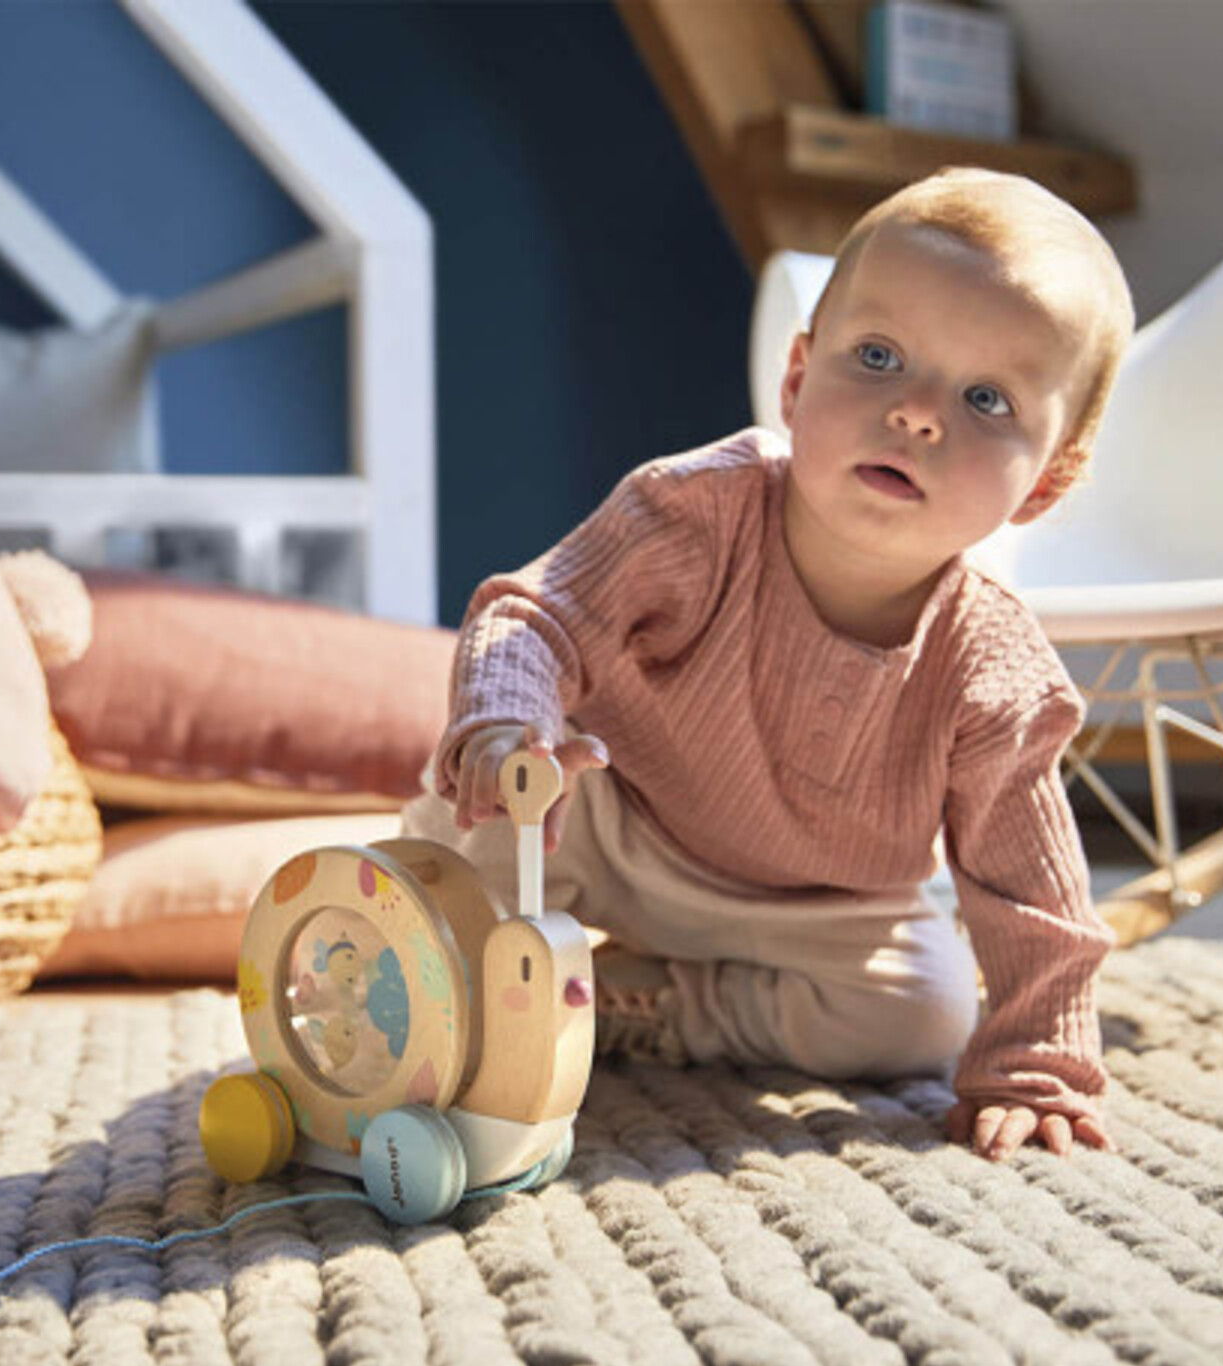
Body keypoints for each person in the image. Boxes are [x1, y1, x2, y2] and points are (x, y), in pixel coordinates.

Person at [402, 167, 1135, 1165]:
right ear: (798, 380)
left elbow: (1031, 891)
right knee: (483, 823)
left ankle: (654, 1006)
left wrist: (1039, 1061)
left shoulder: (996, 672)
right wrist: (507, 722)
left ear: (1043, 485)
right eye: (878, 356)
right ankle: (462, 963)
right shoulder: (693, 511)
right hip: (612, 820)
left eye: (985, 397)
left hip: (818, 910)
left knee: (926, 1011)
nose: (917, 414)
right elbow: (538, 615)